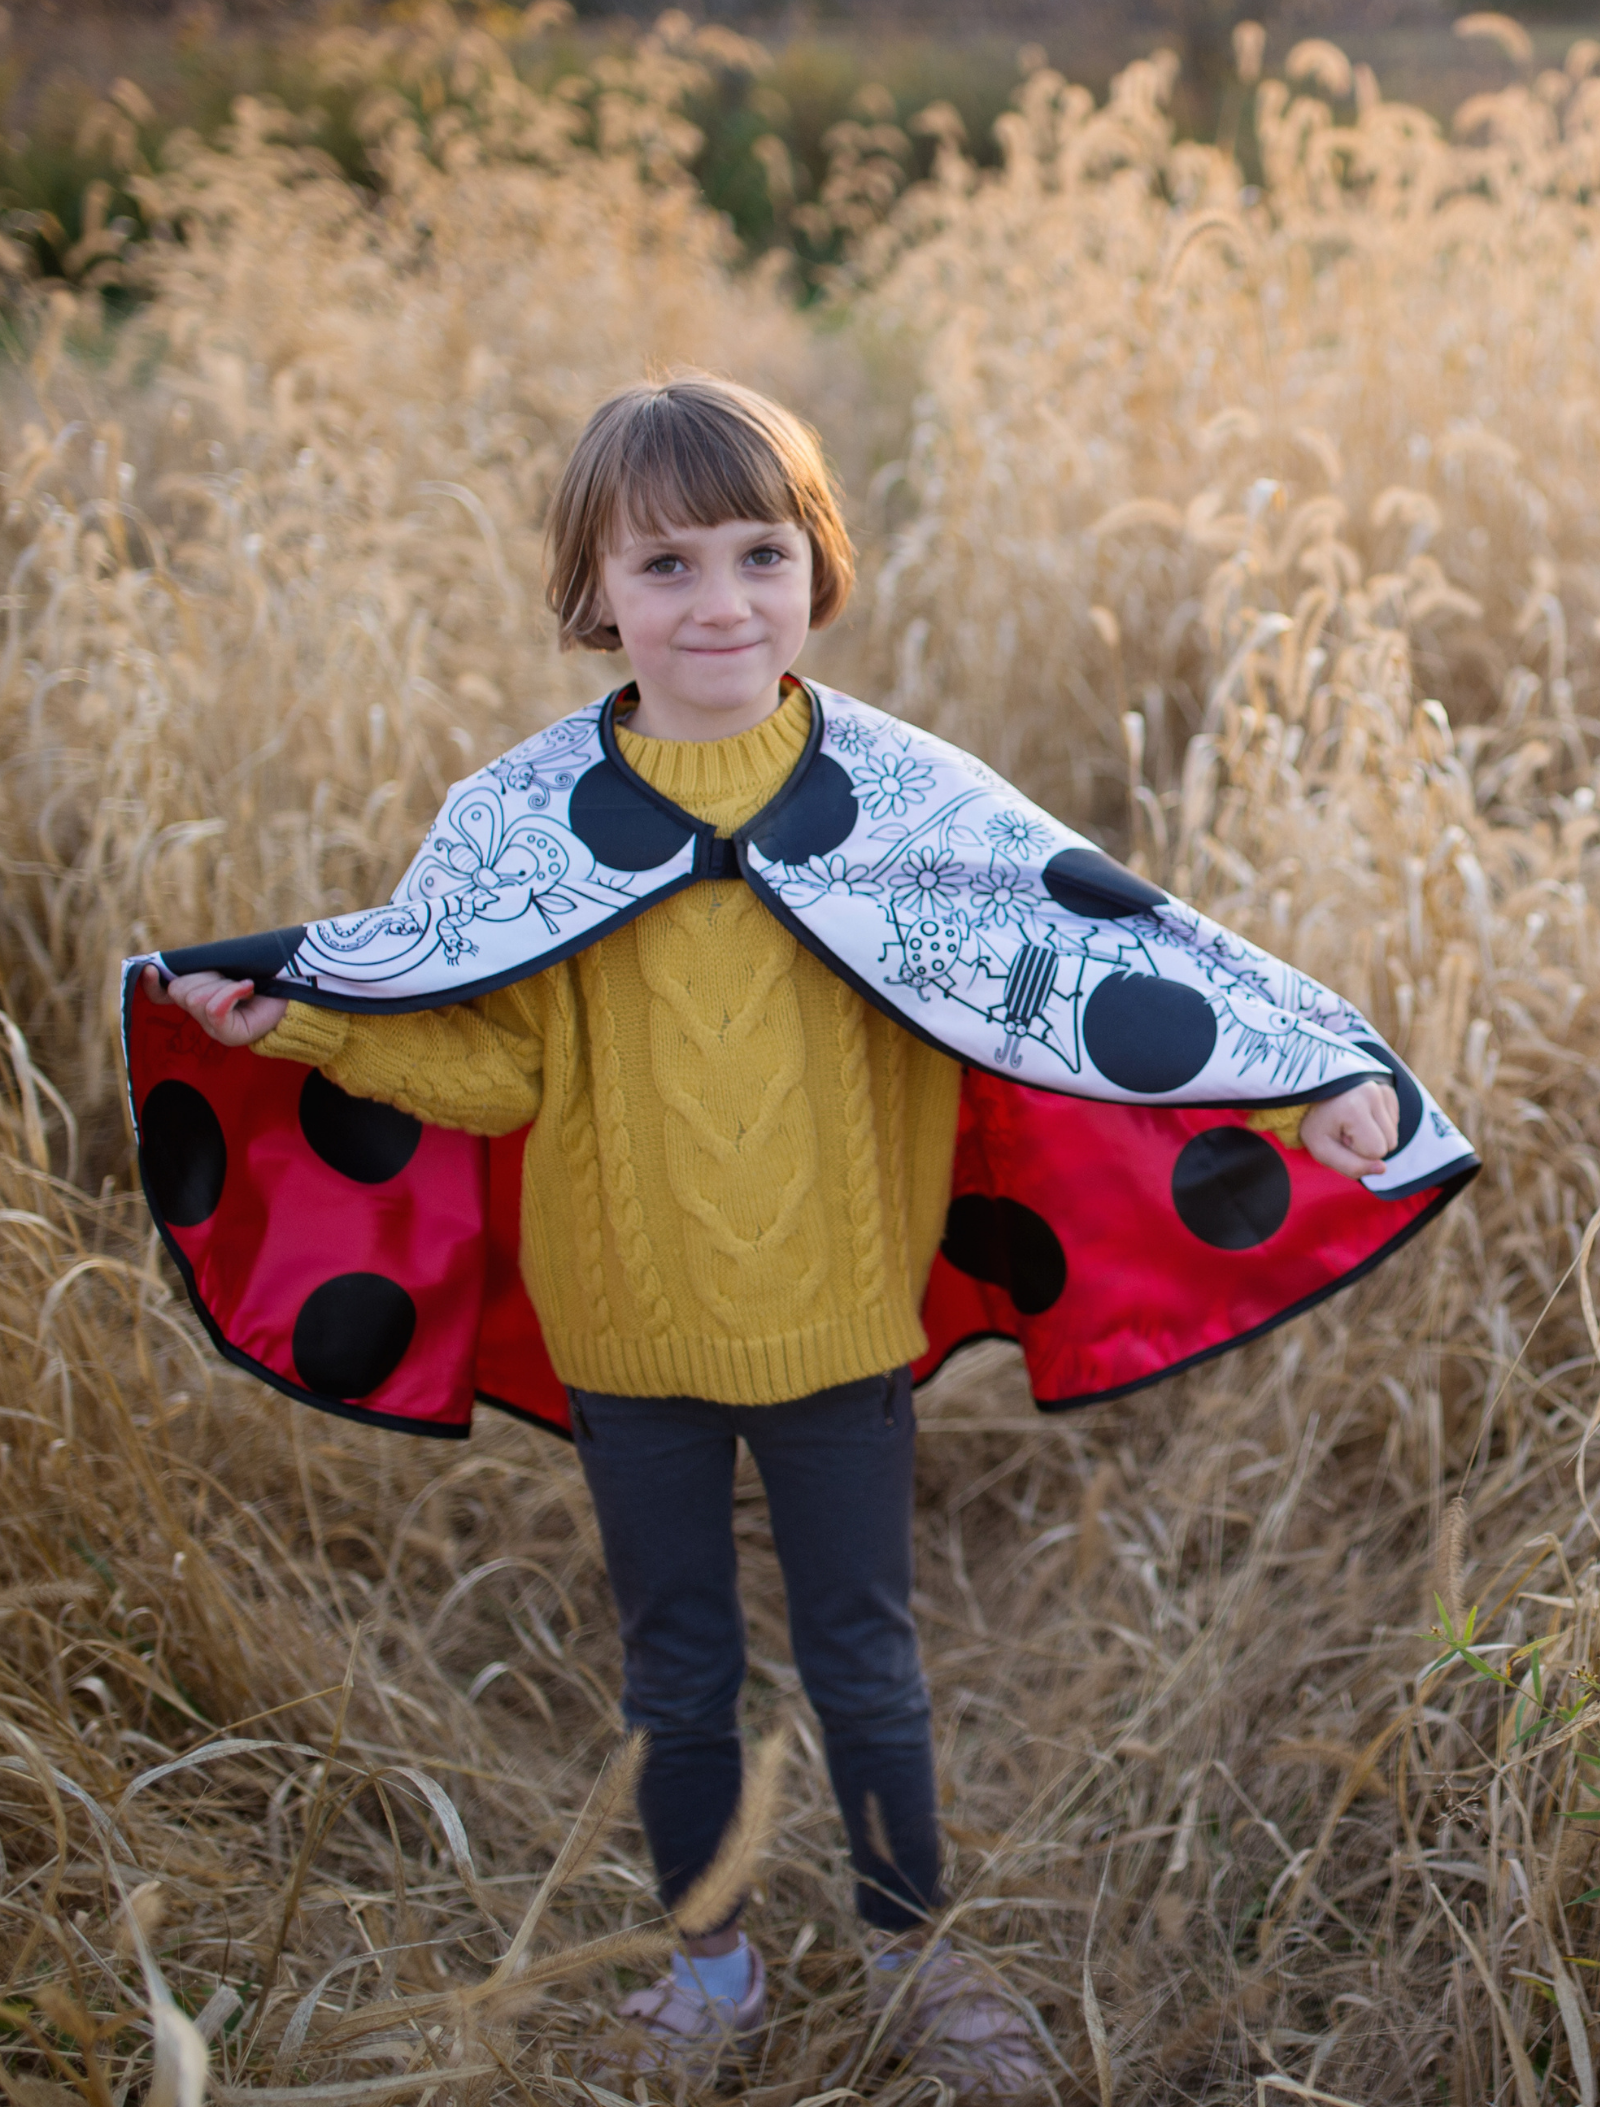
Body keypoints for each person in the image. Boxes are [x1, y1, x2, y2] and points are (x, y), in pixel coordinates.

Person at [134, 375, 1466, 2094]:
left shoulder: (911, 807)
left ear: (815, 565)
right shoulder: (523, 820)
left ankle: (919, 1947)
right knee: (675, 1670)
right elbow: (486, 1064)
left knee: (867, 1658)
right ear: (593, 588)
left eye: (759, 553)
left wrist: (1306, 1087)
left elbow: (1101, 971)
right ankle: (710, 1965)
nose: (717, 602)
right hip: (629, 1335)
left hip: (843, 1321)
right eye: (667, 563)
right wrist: (296, 1026)